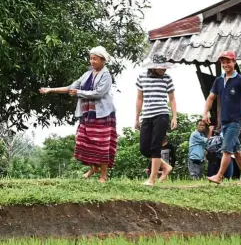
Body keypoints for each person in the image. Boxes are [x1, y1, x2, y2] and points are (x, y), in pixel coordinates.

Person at [39, 46, 117, 182]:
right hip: (87, 114)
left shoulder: (106, 75)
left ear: (103, 60)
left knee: (102, 144)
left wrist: (79, 93)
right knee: (83, 140)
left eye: (95, 59)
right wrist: (50, 90)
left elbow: (99, 93)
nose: (92, 61)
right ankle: (94, 167)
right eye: (91, 58)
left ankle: (103, 175)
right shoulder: (87, 75)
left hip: (102, 114)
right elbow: (71, 87)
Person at [203, 50, 241, 185]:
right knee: (236, 151)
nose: (225, 64)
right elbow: (211, 97)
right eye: (223, 62)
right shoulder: (219, 80)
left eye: (228, 61)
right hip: (224, 121)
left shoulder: (240, 80)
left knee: (226, 149)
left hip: (236, 120)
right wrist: (205, 113)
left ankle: (219, 176)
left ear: (234, 62)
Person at [136, 54, 177, 186]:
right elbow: (139, 99)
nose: (163, 70)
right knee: (144, 148)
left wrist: (174, 116)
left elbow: (172, 99)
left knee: (155, 146)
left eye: (164, 68)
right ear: (153, 67)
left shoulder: (167, 78)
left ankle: (152, 179)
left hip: (162, 114)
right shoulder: (142, 77)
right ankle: (165, 166)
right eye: (160, 68)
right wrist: (136, 118)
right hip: (147, 115)